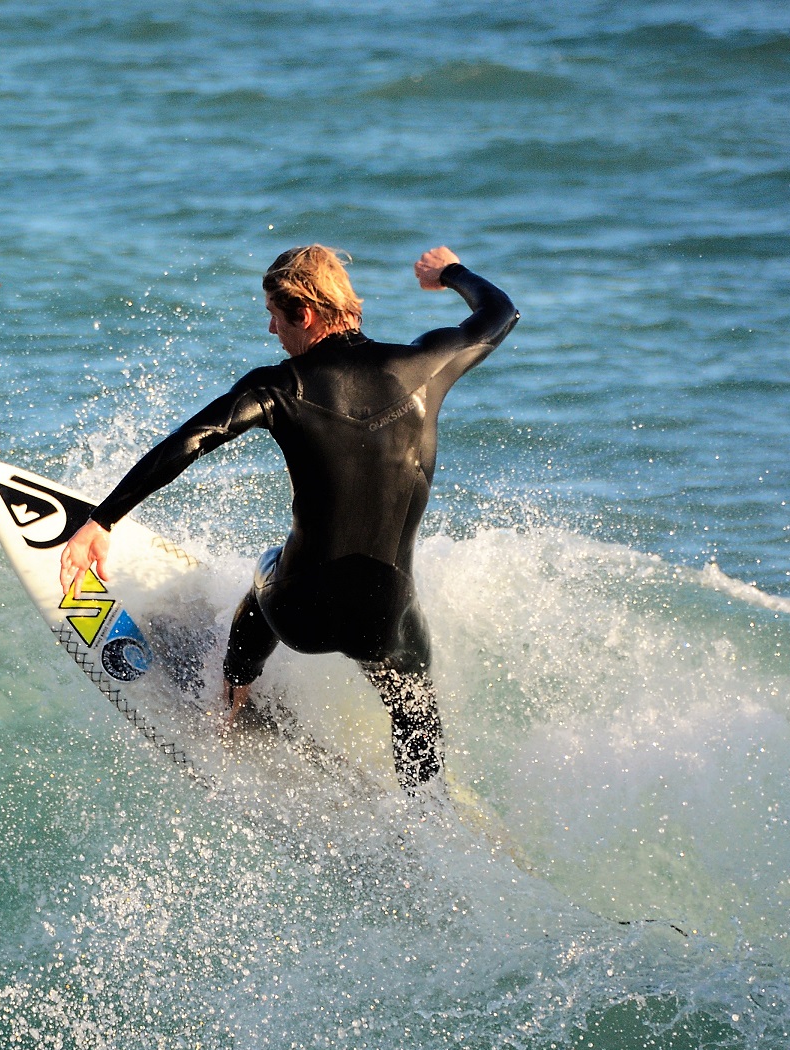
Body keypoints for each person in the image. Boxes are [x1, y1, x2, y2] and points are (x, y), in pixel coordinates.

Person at [58, 245, 517, 791]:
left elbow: (190, 442)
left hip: (298, 613)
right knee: (413, 696)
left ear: (306, 314)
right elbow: (500, 314)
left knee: (266, 573)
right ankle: (424, 809)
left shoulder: (278, 386)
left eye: (276, 315)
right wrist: (450, 273)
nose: (272, 330)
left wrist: (101, 521)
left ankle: (230, 698)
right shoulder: (425, 364)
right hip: (382, 621)